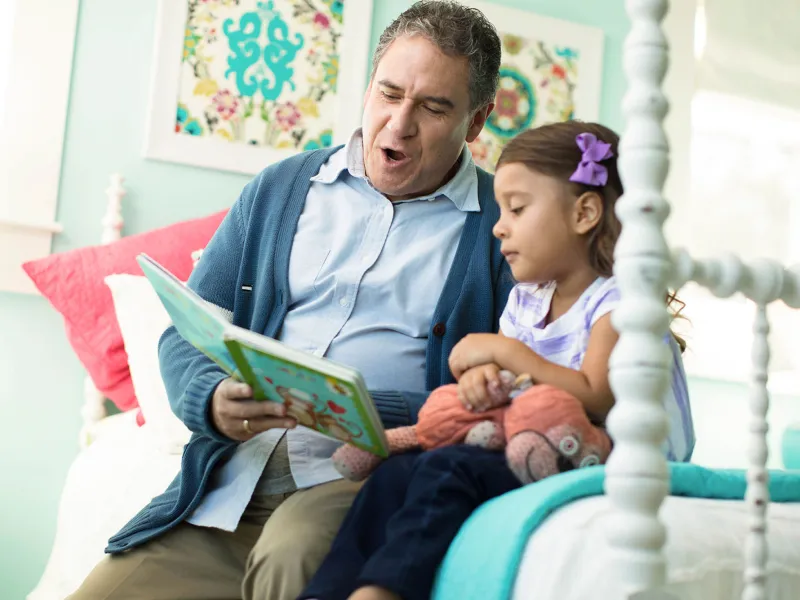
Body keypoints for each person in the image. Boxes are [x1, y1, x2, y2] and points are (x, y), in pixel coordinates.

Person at [68, 2, 511, 599]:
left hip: (360, 481)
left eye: (433, 108)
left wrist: (366, 407)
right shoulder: (280, 188)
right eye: (389, 93)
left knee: (292, 554)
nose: (399, 124)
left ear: (477, 121)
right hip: (228, 485)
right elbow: (186, 331)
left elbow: (509, 392)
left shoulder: (501, 230)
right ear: (368, 86)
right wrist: (211, 399)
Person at [299, 120, 696, 600]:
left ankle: (386, 590)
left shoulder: (619, 304)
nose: (499, 226)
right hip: (526, 440)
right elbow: (509, 381)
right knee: (396, 473)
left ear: (585, 213)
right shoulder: (528, 300)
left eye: (518, 208)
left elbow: (597, 395)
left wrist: (508, 354)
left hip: (599, 456)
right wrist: (487, 379)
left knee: (451, 470)